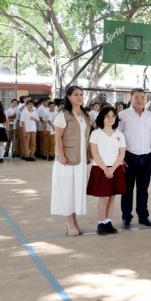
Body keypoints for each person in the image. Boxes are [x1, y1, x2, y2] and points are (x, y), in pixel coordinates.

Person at [52, 86, 91, 236]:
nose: (79, 97)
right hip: (67, 159)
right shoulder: (64, 114)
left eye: (81, 94)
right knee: (68, 189)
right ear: (68, 97)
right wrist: (61, 155)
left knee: (76, 189)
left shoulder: (85, 115)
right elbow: (58, 137)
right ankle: (69, 222)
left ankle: (75, 220)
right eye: (76, 94)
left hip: (81, 159)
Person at [117, 88, 151, 229]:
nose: (140, 99)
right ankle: (126, 218)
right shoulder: (122, 115)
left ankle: (143, 217)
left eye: (142, 97)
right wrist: (120, 156)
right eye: (136, 97)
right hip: (129, 157)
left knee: (143, 189)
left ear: (146, 99)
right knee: (127, 190)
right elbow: (117, 136)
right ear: (131, 98)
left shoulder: (150, 116)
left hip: (146, 157)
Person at [87, 106, 126, 235]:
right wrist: (105, 169)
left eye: (113, 116)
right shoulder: (96, 133)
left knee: (112, 197)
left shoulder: (119, 134)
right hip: (100, 169)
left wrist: (113, 168)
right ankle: (101, 223)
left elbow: (121, 154)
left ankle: (108, 222)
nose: (110, 118)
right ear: (101, 118)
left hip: (116, 169)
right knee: (103, 198)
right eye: (107, 116)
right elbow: (95, 154)